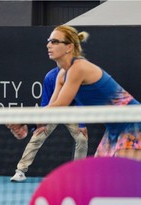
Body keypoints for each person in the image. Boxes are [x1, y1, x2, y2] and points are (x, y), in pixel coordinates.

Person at [35, 25, 141, 160]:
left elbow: (60, 105)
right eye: (49, 41)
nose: (48, 45)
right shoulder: (62, 75)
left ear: (69, 47)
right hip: (114, 128)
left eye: (55, 41)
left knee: (125, 176)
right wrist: (31, 123)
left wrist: (22, 121)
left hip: (133, 121)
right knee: (100, 176)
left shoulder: (78, 68)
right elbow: (52, 109)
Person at [9, 66, 88, 182]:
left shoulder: (76, 74)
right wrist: (41, 123)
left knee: (82, 139)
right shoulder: (50, 77)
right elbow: (45, 101)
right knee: (37, 136)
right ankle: (20, 171)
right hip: (53, 111)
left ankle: (77, 174)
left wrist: (82, 124)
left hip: (71, 111)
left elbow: (80, 100)